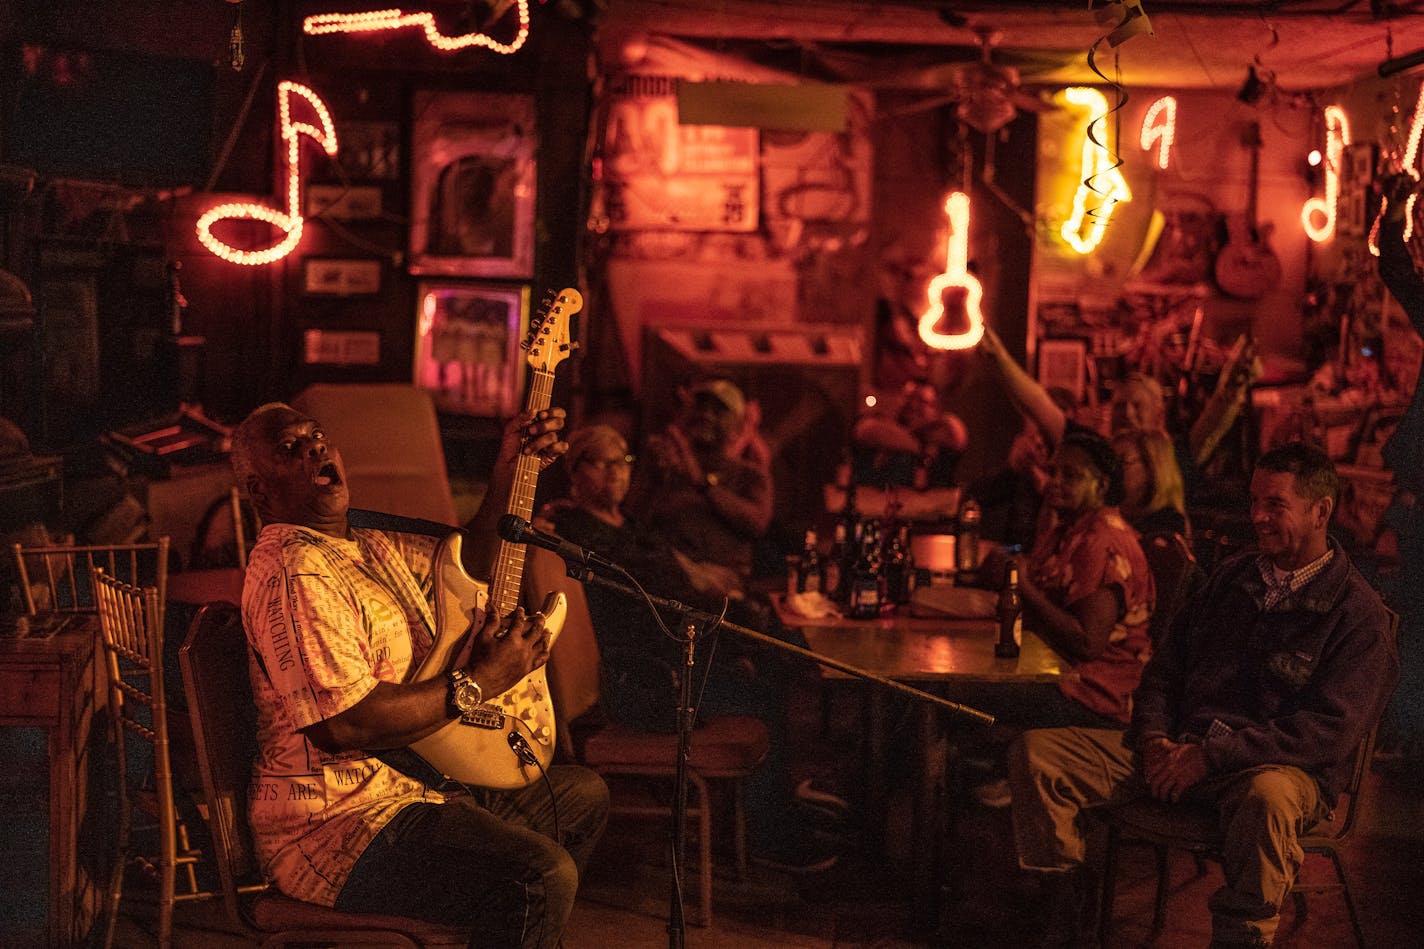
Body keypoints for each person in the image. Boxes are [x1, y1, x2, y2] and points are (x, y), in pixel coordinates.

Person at [230, 402, 609, 948]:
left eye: (317, 435)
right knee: (542, 874)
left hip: (415, 787)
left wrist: (510, 468)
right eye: (291, 449)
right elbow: (343, 725)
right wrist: (479, 683)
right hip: (339, 826)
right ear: (261, 492)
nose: (315, 447)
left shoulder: (367, 544)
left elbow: (470, 564)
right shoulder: (295, 571)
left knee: (582, 797)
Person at [1006, 442, 1399, 947]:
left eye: (1275, 505)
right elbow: (1164, 670)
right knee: (1040, 754)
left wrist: (1212, 757)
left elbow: (1328, 733)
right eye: (1254, 501)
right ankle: (1062, 910)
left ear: (1321, 511)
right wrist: (1152, 739)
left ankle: (1242, 936)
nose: (1256, 516)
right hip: (1179, 751)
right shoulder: (1233, 578)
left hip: (1270, 768)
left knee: (1268, 799)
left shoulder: (1356, 616)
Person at [546, 424, 843, 872]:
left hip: (683, 643)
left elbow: (675, 577)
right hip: (649, 673)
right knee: (762, 693)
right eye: (601, 463)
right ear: (576, 470)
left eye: (622, 461)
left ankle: (775, 808)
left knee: (776, 663)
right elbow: (638, 604)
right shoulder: (573, 529)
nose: (615, 474)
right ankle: (769, 835)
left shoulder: (627, 522)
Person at [978, 430, 1154, 728]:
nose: (1054, 482)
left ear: (1101, 485)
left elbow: (1087, 643)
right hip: (1052, 676)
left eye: (1069, 475)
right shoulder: (1068, 530)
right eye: (1052, 472)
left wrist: (1023, 586)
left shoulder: (1104, 540)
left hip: (1093, 696)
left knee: (948, 695)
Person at [625, 378, 773, 590]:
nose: (706, 415)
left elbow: (757, 523)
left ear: (738, 425)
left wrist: (704, 486)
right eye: (701, 406)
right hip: (665, 574)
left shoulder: (749, 475)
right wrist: (652, 477)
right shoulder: (668, 465)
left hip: (722, 580)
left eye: (719, 411)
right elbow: (633, 518)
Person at [851, 379, 969, 490]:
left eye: (921, 401)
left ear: (936, 408)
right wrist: (918, 445)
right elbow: (864, 430)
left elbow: (955, 432)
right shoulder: (884, 429)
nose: (913, 405)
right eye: (909, 398)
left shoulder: (944, 434)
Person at [1112, 427, 1190, 539]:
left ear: (1151, 468)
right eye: (1111, 461)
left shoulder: (1167, 525)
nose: (1112, 469)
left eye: (1122, 461)